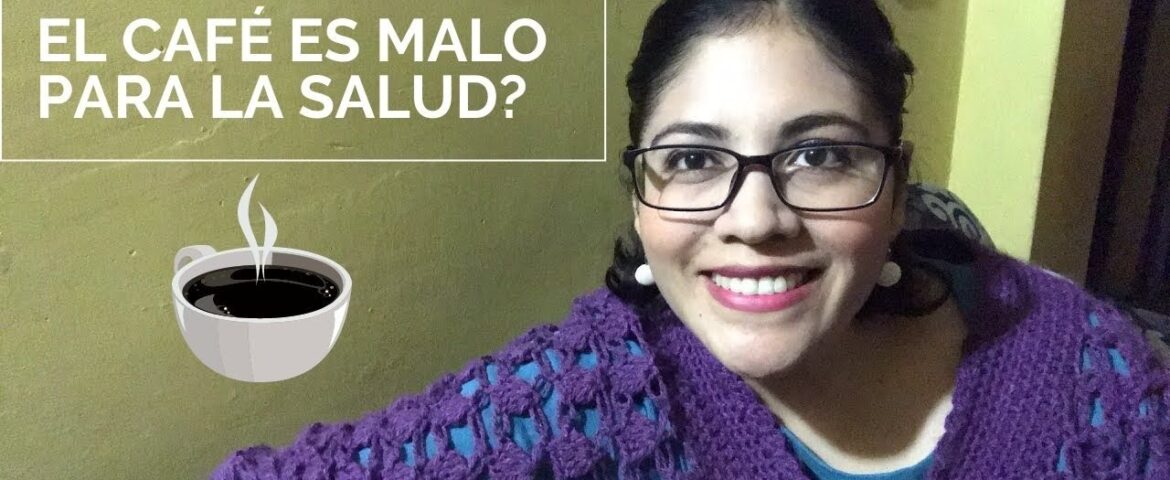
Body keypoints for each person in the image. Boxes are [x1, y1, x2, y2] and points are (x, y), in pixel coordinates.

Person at [211, 0, 1170, 478]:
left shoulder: (1085, 371)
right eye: (695, 160)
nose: (754, 220)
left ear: (895, 185)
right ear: (641, 197)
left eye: (820, 154)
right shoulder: (584, 398)